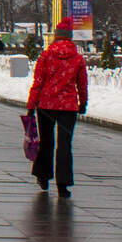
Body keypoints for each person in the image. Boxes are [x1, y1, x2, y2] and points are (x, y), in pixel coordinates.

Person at [25, 23, 88, 198]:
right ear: (70, 37)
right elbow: (82, 84)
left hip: (46, 105)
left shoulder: (46, 55)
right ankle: (63, 184)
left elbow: (38, 82)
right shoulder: (77, 58)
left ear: (56, 35)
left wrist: (31, 105)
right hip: (68, 107)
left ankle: (43, 176)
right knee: (65, 145)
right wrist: (83, 103)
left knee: (46, 141)